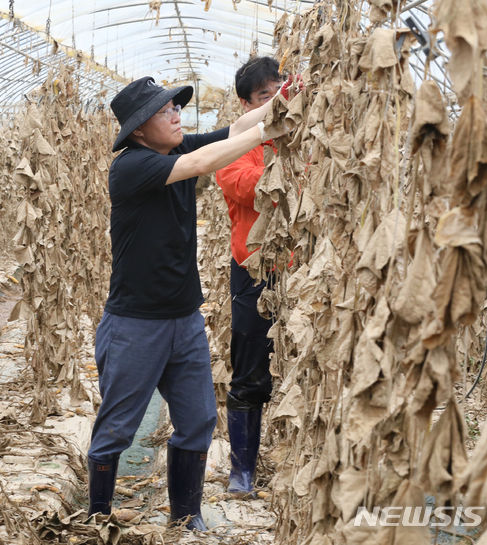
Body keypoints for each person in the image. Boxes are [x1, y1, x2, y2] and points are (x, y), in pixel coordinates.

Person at [87, 75, 296, 530]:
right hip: (135, 324)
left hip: (184, 320)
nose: (177, 114)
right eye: (167, 111)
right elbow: (206, 160)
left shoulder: (173, 148)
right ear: (140, 129)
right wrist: (269, 132)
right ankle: (97, 517)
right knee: (117, 427)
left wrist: (282, 102)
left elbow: (237, 127)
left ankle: (186, 517)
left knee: (200, 418)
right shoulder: (132, 165)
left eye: (177, 108)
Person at [215, 56, 288, 495]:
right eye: (266, 96)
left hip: (302, 271)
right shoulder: (238, 140)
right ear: (247, 103)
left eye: (281, 90)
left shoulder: (304, 140)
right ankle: (242, 469)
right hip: (254, 270)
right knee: (251, 366)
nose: (277, 100)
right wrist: (286, 171)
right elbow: (243, 187)